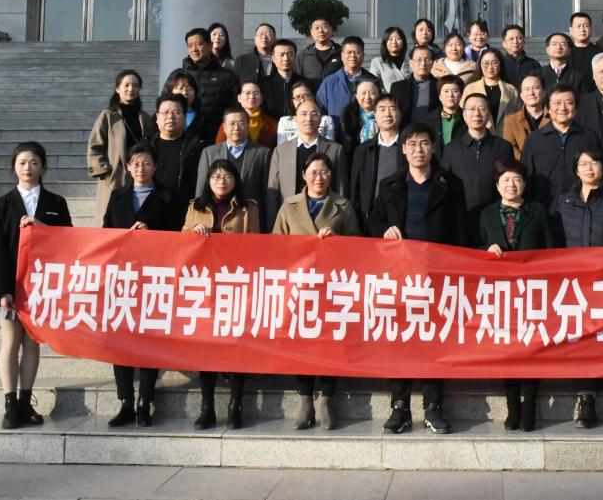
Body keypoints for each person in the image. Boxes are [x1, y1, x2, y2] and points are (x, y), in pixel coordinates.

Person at [366, 122, 468, 435]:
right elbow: (373, 220)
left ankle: (433, 406)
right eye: (411, 144)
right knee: (400, 340)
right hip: (400, 275)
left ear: (433, 147)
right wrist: (384, 230)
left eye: (424, 143)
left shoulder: (450, 184)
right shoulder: (389, 185)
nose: (418, 150)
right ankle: (400, 406)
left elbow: (461, 231)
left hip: (436, 275)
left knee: (433, 341)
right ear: (403, 149)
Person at [272, 152, 360, 430]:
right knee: (301, 342)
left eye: (324, 172)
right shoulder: (289, 206)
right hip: (299, 285)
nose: (318, 177)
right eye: (313, 172)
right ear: (303, 175)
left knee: (330, 342)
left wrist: (338, 241)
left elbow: (358, 246)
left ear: (331, 176)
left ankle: (326, 398)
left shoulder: (343, 206)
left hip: (332, 285)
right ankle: (305, 399)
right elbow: (276, 244)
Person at [0, 142, 73, 429]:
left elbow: (69, 241)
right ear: (14, 166)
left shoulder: (56, 203)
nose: (28, 168)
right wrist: (2, 291)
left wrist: (42, 227)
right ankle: (10, 404)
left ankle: (26, 401)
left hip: (42, 285)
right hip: (11, 286)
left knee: (32, 343)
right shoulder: (2, 204)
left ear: (43, 167)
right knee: (10, 342)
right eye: (23, 162)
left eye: (34, 162)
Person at [102, 142, 177, 428]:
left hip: (154, 277)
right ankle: (125, 401)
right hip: (122, 277)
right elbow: (106, 234)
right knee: (119, 339)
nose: (141, 169)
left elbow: (177, 236)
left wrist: (151, 233)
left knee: (149, 339)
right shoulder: (118, 196)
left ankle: (145, 401)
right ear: (128, 167)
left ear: (155, 167)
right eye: (135, 164)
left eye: (146, 163)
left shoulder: (168, 196)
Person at [184, 159, 260, 430]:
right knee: (207, 346)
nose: (221, 181)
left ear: (235, 180)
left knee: (236, 345)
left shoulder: (248, 207)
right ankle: (207, 407)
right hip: (204, 285)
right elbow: (181, 240)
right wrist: (194, 233)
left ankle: (235, 405)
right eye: (216, 176)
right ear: (208, 181)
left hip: (236, 284)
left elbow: (257, 244)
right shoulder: (196, 207)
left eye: (227, 176)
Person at [559, 149, 603, 430]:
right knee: (584, 339)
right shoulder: (565, 201)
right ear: (576, 170)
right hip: (576, 283)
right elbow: (557, 240)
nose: (589, 168)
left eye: (594, 162)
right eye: (583, 163)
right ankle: (585, 398)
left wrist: (600, 264)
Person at [481, 158, 552, 432]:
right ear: (497, 185)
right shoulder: (486, 214)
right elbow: (473, 248)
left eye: (517, 179)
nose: (511, 185)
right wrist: (486, 251)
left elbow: (551, 249)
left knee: (532, 350)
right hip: (500, 292)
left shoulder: (538, 211)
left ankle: (530, 405)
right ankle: (513, 407)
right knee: (508, 351)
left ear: (524, 184)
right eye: (506, 180)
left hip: (532, 291)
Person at [522, 84, 601, 233]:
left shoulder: (589, 137)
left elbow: (601, 175)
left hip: (583, 213)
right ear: (548, 108)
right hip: (545, 213)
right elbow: (527, 179)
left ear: (576, 107)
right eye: (557, 103)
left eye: (569, 103)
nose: (562, 108)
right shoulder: (534, 140)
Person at [441, 93, 515, 243]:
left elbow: (510, 184)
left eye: (482, 109)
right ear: (464, 114)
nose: (477, 113)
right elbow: (444, 187)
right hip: (460, 222)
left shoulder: (503, 147)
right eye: (471, 109)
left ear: (489, 113)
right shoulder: (451, 149)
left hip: (496, 221)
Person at [267, 99, 348, 225]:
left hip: (325, 219)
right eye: (303, 114)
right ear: (295, 119)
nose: (308, 119)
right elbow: (273, 191)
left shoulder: (336, 150)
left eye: (314, 114)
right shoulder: (281, 151)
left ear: (320, 119)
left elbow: (341, 189)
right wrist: (273, 224)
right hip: (290, 219)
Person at [88, 69, 152, 226]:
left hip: (139, 175)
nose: (131, 89)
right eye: (126, 85)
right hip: (115, 177)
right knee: (112, 221)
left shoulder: (145, 118)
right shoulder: (108, 116)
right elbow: (95, 146)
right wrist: (106, 172)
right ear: (117, 88)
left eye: (135, 86)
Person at [198, 107, 273, 229]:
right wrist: (199, 217)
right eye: (232, 123)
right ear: (224, 127)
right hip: (215, 219)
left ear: (248, 126)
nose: (236, 128)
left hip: (248, 219)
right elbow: (202, 188)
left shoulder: (263, 153)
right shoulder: (209, 153)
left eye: (241, 123)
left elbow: (267, 191)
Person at [146, 94, 205, 224]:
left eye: (176, 112)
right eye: (165, 112)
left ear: (185, 117)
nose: (170, 117)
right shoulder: (146, 146)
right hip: (151, 211)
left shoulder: (197, 147)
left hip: (185, 212)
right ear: (157, 117)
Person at [350, 94, 405, 227]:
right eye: (382, 109)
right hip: (370, 220)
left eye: (392, 108)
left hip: (401, 218)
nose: (387, 114)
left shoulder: (409, 148)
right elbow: (355, 191)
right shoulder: (363, 150)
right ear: (374, 115)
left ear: (400, 114)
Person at [177, 27, 240, 143]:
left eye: (199, 44)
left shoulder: (227, 76)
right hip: (185, 138)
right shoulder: (179, 76)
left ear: (210, 45)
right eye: (190, 46)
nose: (194, 49)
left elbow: (235, 107)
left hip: (217, 137)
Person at [460, 47, 522, 134]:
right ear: (480, 65)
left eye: (494, 62)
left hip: (505, 137)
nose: (490, 67)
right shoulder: (470, 89)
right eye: (486, 63)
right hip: (479, 136)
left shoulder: (511, 90)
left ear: (500, 64)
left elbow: (517, 116)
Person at [317, 36, 379, 118]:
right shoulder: (329, 81)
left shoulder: (373, 81)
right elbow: (320, 108)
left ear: (363, 55)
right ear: (342, 56)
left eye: (357, 52)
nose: (353, 55)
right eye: (349, 52)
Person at [216, 82, 279, 149]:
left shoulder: (272, 124)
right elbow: (219, 149)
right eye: (247, 93)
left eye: (256, 93)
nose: (252, 97)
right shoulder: (229, 122)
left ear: (261, 98)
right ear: (239, 98)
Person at [264, 39, 315, 120]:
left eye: (290, 54)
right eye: (281, 55)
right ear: (273, 58)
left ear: (295, 56)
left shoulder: (306, 84)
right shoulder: (264, 85)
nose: (286, 58)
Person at [503, 73, 549, 160]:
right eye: (527, 89)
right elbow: (510, 149)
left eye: (535, 88)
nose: (531, 93)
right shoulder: (511, 121)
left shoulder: (554, 118)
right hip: (521, 166)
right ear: (521, 95)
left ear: (543, 92)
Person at [393, 45, 440, 128]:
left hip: (432, 132)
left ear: (432, 63)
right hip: (405, 132)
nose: (423, 63)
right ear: (411, 63)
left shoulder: (440, 86)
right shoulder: (398, 87)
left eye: (427, 60)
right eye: (419, 59)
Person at [276, 80, 337, 145]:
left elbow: (329, 147)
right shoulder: (284, 122)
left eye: (306, 95)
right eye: (298, 97)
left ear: (313, 97)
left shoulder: (326, 120)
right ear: (292, 101)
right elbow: (281, 148)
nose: (302, 100)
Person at [424, 75, 468, 158]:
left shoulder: (468, 119)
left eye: (455, 91)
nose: (450, 95)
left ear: (461, 95)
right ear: (439, 96)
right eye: (446, 91)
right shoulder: (428, 121)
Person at [339, 78, 382, 161]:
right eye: (363, 93)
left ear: (379, 94)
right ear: (356, 96)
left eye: (372, 93)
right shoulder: (347, 118)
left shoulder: (386, 116)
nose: (367, 97)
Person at [232, 22, 278, 90]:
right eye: (261, 34)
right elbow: (235, 87)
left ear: (275, 38)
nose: (264, 37)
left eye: (268, 34)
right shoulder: (242, 61)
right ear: (255, 39)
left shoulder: (281, 59)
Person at [295, 16, 342, 81]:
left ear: (331, 29)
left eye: (324, 27)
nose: (320, 31)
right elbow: (297, 80)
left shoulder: (342, 52)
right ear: (311, 32)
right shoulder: (304, 55)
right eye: (316, 28)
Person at [163, 71, 205, 141]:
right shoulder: (161, 115)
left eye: (189, 88)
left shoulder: (203, 118)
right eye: (180, 88)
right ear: (171, 91)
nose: (185, 92)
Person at [568, 11, 603, 90]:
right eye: (578, 26)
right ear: (571, 30)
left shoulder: (601, 54)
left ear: (591, 29)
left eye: (586, 26)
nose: (582, 29)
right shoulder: (565, 53)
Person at [368, 26, 411, 92]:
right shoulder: (377, 62)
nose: (394, 42)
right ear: (385, 42)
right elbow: (373, 84)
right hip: (386, 97)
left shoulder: (411, 62)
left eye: (398, 38)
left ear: (403, 41)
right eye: (390, 39)